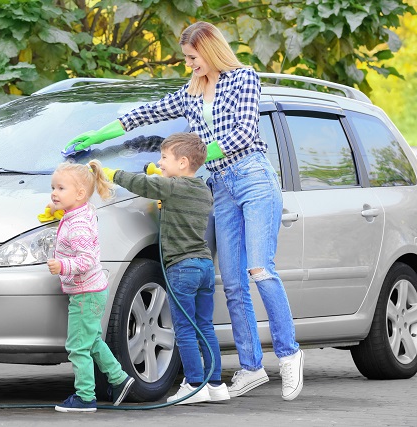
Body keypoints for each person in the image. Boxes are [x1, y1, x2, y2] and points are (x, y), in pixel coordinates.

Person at [63, 21, 304, 401]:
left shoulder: (244, 79)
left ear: (209, 50)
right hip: (221, 185)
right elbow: (144, 114)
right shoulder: (190, 93)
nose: (189, 64)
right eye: (187, 59)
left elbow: (242, 133)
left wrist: (188, 160)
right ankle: (252, 367)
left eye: (193, 57)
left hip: (253, 177)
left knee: (259, 268)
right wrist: (97, 136)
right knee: (235, 284)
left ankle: (289, 355)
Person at [102, 132, 229, 404]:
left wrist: (112, 173)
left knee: (183, 328)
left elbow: (143, 184)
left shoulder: (172, 188)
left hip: (182, 267)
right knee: (204, 326)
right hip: (204, 266)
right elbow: (166, 188)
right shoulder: (202, 191)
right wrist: (160, 177)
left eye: (164, 158)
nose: (159, 163)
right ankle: (216, 384)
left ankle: (194, 384)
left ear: (182, 163)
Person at [46, 160, 135, 413]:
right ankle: (119, 379)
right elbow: (73, 218)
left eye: (61, 188)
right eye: (53, 187)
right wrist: (56, 210)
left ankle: (85, 397)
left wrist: (62, 266)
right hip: (92, 290)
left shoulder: (78, 224)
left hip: (85, 293)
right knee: (93, 339)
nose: (54, 193)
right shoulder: (81, 211)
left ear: (80, 194)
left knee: (77, 346)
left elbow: (86, 260)